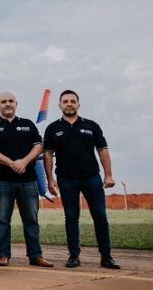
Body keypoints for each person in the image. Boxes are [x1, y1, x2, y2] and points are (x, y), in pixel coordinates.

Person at [43, 90, 119, 269]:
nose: (69, 104)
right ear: (60, 105)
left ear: (78, 104)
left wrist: (108, 174)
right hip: (66, 179)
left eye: (72, 101)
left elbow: (103, 150)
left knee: (100, 216)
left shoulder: (92, 126)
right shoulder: (53, 128)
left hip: (91, 178)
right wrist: (50, 179)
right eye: (65, 101)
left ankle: (106, 256)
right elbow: (48, 154)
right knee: (71, 217)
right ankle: (74, 256)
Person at [0, 92, 53, 267]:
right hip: (1, 180)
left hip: (28, 181)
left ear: (16, 104)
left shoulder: (28, 125)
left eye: (10, 101)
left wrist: (24, 162)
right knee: (3, 219)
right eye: (3, 102)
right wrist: (12, 163)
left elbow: (38, 146)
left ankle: (35, 255)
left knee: (31, 219)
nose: (7, 104)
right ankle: (3, 255)